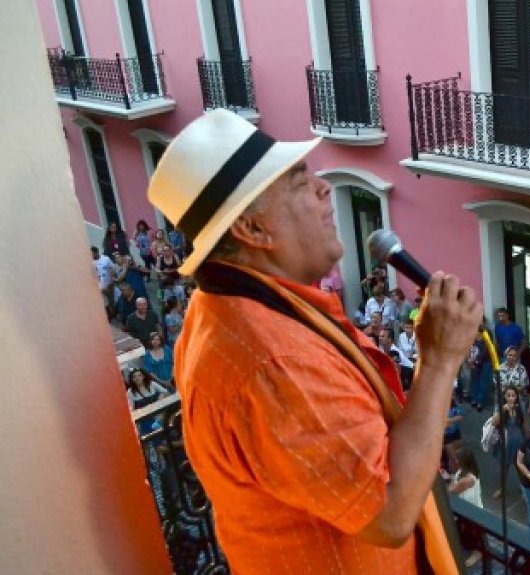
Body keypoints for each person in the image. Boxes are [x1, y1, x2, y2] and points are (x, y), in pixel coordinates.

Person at [148, 109, 482, 572]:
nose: (325, 188)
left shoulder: (231, 313)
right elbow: (389, 512)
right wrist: (441, 359)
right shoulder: (272, 362)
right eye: (301, 183)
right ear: (253, 230)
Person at [446, 447, 483, 568]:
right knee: (459, 530)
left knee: (471, 532)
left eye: (457, 459)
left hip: (472, 511)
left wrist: (447, 485)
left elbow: (452, 489)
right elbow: (454, 482)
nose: (455, 461)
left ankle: (477, 553)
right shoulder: (461, 471)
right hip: (463, 508)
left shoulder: (469, 479)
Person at [490, 386, 527, 499]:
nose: (511, 398)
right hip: (505, 443)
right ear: (504, 397)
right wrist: (503, 409)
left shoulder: (519, 408)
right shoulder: (500, 407)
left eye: (513, 395)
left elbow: (524, 425)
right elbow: (494, 422)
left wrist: (527, 441)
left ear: (517, 396)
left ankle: (525, 489)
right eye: (508, 395)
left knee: (520, 467)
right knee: (504, 468)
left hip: (518, 442)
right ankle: (502, 489)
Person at [126, 368, 170, 433]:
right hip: (145, 419)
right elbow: (131, 410)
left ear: (143, 376)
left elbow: (167, 392)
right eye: (134, 377)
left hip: (159, 414)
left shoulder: (152, 384)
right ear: (132, 379)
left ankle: (158, 422)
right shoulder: (130, 392)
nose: (137, 378)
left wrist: (161, 397)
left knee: (162, 395)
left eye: (139, 375)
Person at [92, 246, 117, 317]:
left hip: (109, 285)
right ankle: (108, 315)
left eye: (93, 253)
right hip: (99, 286)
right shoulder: (91, 262)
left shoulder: (106, 258)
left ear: (97, 252)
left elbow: (112, 268)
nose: (92, 256)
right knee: (104, 302)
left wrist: (112, 280)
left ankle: (114, 314)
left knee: (111, 300)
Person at [442, 396, 464, 473]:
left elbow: (461, 415)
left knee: (456, 453)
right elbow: (443, 423)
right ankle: (456, 475)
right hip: (445, 435)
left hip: (455, 431)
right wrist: (456, 418)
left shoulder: (455, 400)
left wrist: (451, 420)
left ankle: (452, 471)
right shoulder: (439, 403)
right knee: (454, 458)